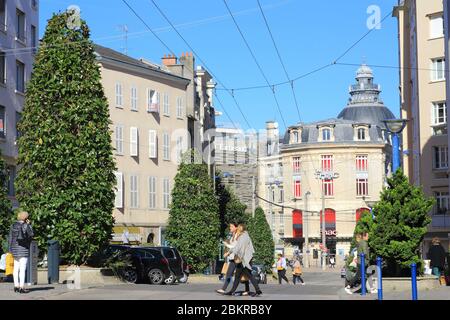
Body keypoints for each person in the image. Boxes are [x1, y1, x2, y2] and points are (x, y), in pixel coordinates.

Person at [223, 224, 262, 297]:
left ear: (241, 229)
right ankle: (257, 290)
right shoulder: (245, 236)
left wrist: (228, 252)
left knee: (247, 275)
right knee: (240, 276)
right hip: (245, 259)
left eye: (238, 228)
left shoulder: (243, 237)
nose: (237, 229)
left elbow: (238, 247)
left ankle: (257, 290)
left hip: (243, 260)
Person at [8, 211, 34, 293]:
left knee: (16, 268)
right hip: (23, 249)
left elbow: (10, 238)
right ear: (26, 218)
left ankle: (16, 286)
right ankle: (21, 287)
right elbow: (31, 234)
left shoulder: (13, 225)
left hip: (14, 249)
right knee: (22, 269)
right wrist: (29, 225)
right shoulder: (26, 225)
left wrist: (10, 249)